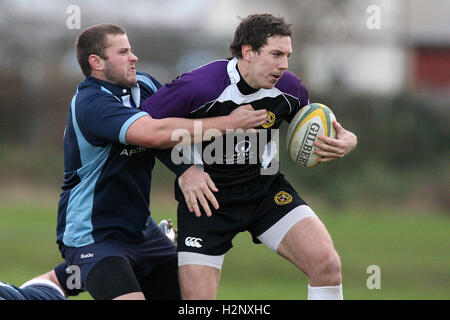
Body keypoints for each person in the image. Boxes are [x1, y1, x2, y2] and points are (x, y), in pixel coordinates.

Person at [142, 13, 358, 300]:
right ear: (248, 52)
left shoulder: (290, 89)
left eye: (288, 56)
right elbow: (143, 128)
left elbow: (314, 125)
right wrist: (185, 170)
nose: (284, 65)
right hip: (208, 204)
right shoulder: (200, 87)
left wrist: (348, 140)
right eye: (276, 54)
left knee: (327, 265)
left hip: (266, 195)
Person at [53, 23, 267, 301]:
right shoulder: (91, 104)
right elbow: (154, 133)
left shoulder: (144, 85)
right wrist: (231, 123)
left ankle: (34, 289)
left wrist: (186, 169)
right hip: (94, 238)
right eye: (123, 52)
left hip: (143, 234)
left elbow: (172, 129)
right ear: (96, 62)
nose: (134, 57)